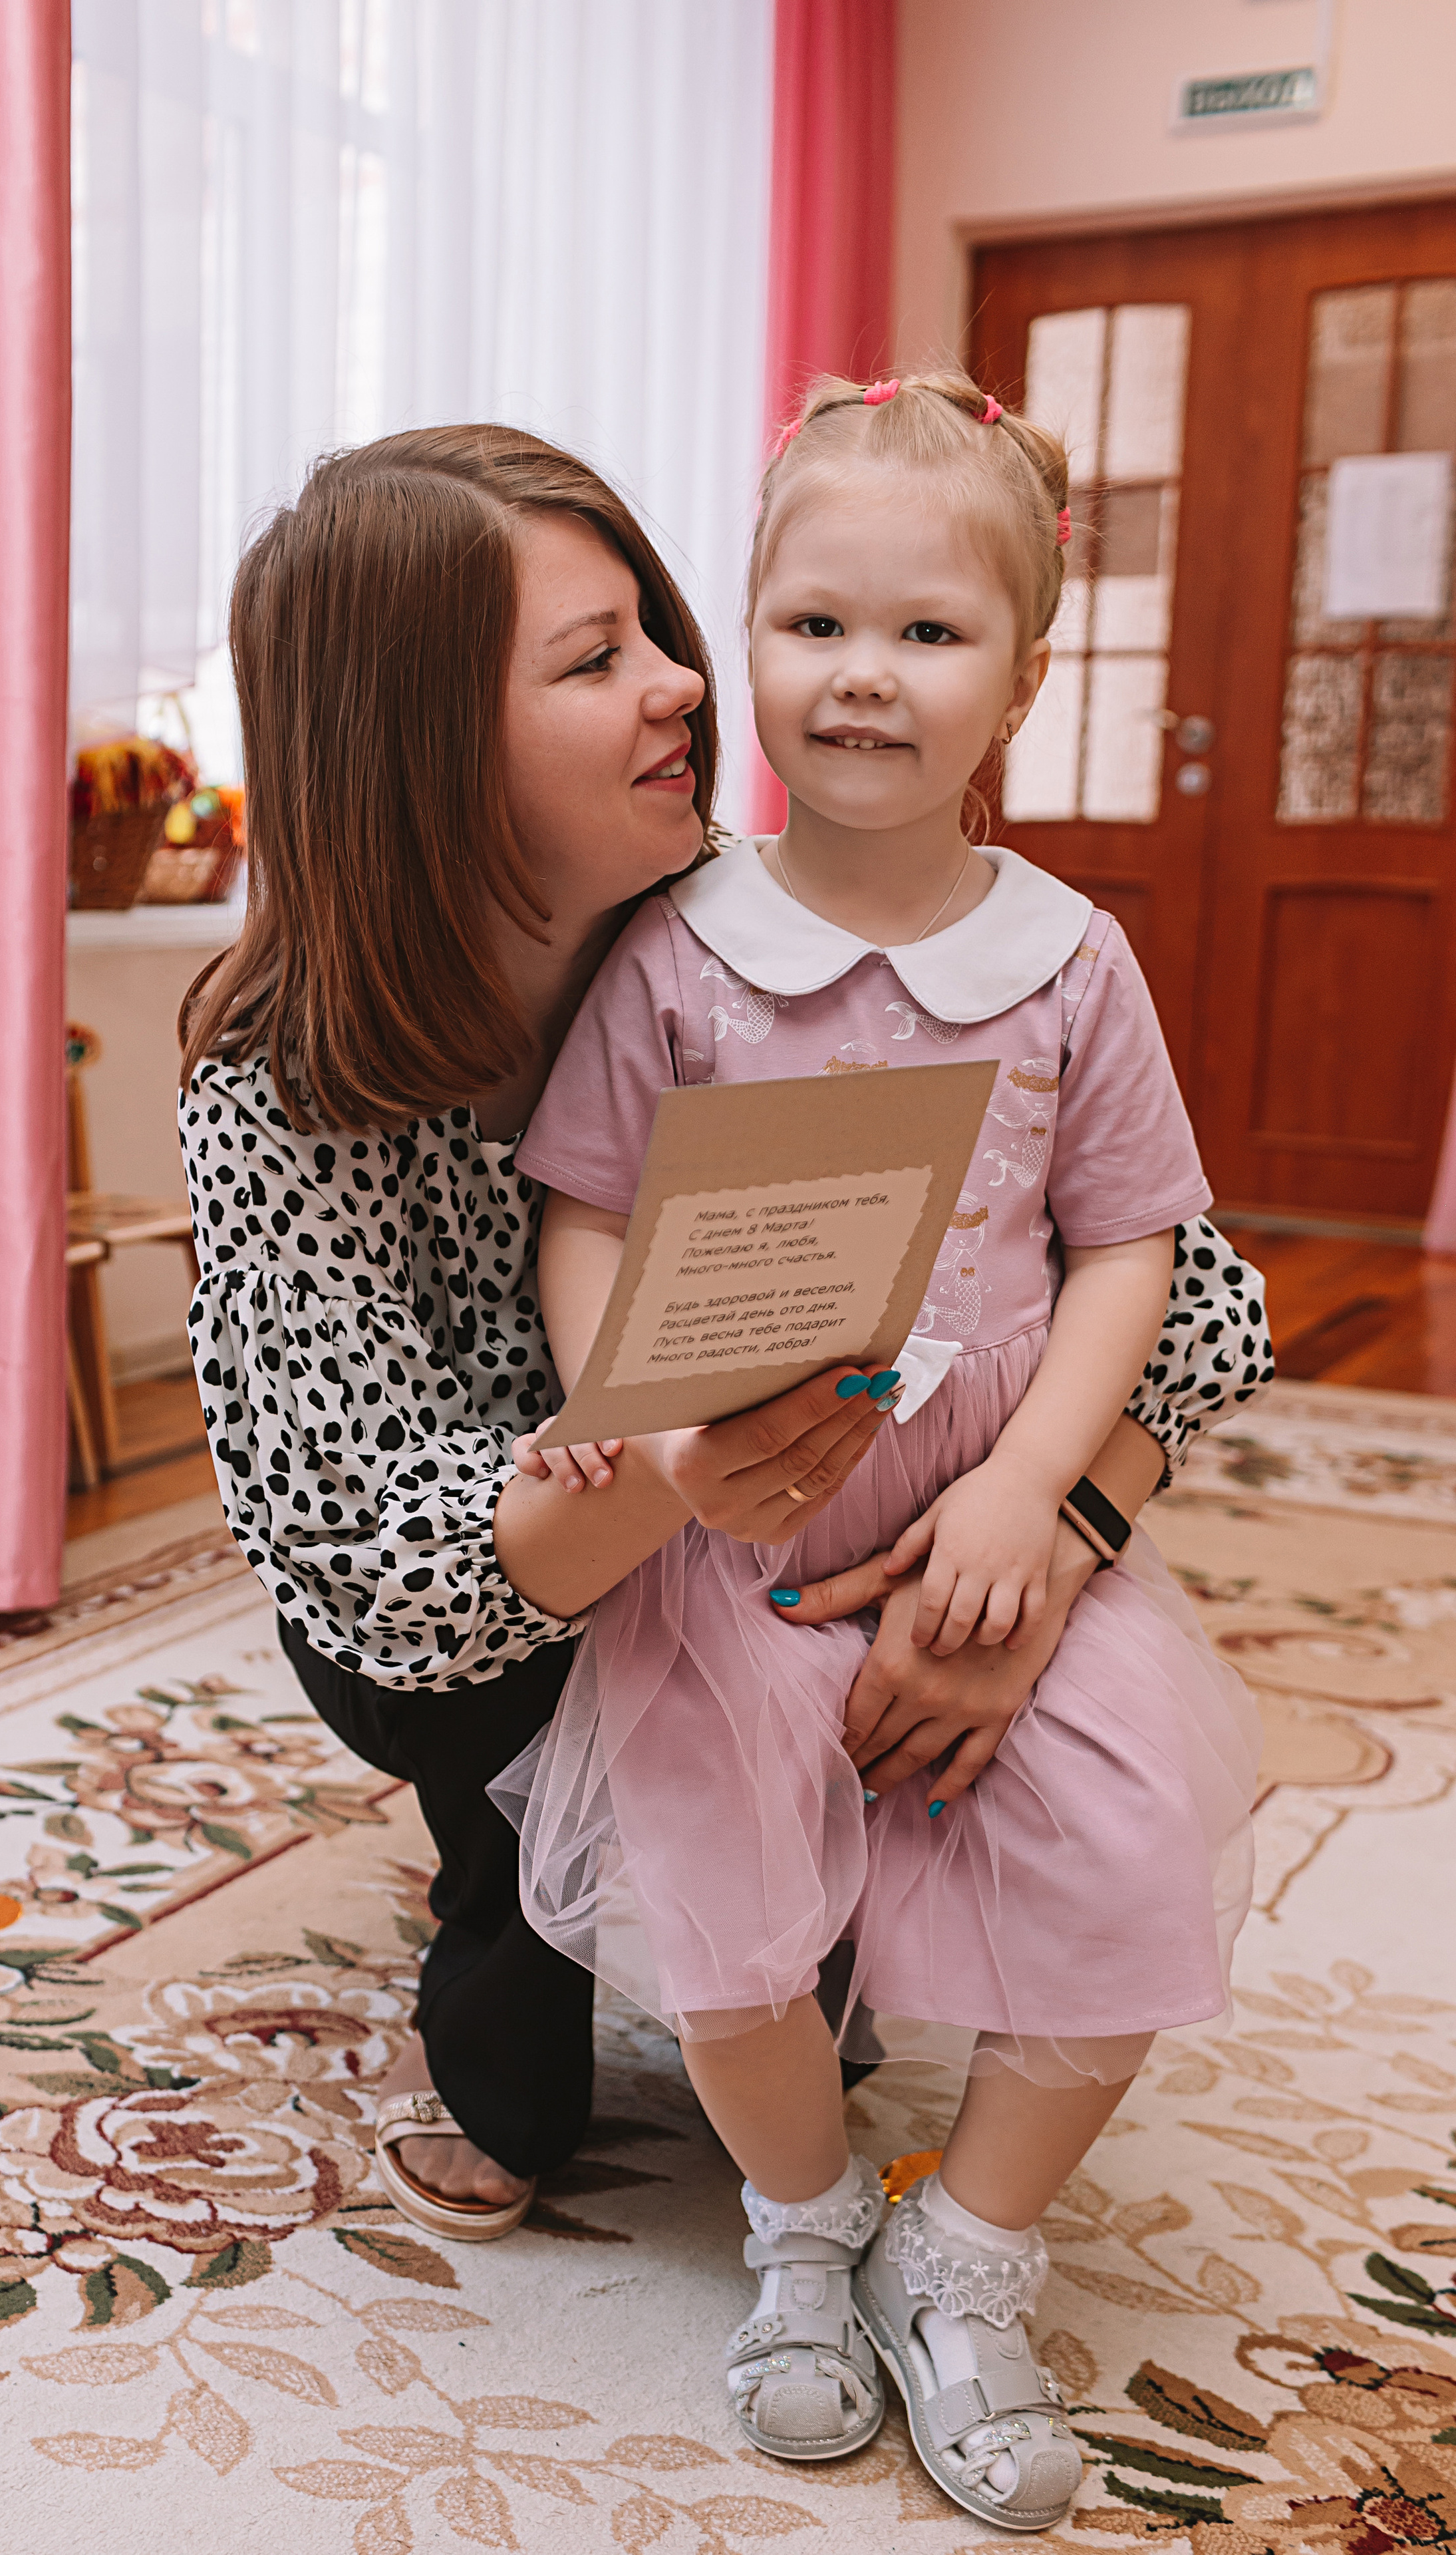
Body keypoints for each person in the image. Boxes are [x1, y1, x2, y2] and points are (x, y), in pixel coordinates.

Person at [174, 423, 1270, 2265]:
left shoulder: (769, 924)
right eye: (595, 660)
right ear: (427, 746)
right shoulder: (287, 1084)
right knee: (569, 1958)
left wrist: (1038, 1548)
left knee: (850, 1952)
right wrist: (673, 1470)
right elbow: (373, 1557)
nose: (685, 683)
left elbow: (1188, 1292)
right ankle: (505, 1894)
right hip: (512, 1584)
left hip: (828, 1517)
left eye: (658, 629)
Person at [503, 374, 1261, 2530]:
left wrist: (1032, 1491)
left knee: (1127, 1852)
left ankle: (972, 2249)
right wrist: (636, 1420)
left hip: (991, 1528)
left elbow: (1131, 1245)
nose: (863, 674)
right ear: (746, 644)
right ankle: (807, 2224)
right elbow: (587, 1214)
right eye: (815, 623)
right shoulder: (680, 953)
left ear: (1022, 679)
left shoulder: (1072, 964)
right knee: (728, 1929)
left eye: (929, 633)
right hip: (729, 1552)